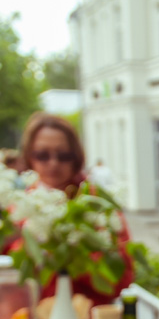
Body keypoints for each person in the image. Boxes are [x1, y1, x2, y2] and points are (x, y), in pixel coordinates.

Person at [11, 112, 133, 306]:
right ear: (29, 156)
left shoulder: (96, 204)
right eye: (43, 155)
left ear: (76, 156)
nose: (53, 163)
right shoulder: (19, 208)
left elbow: (121, 277)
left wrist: (71, 251)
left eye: (64, 155)